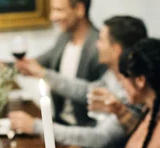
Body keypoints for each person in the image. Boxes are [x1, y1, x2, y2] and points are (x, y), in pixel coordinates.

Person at [9, 16, 147, 148]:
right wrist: (42, 73)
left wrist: (37, 127)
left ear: (116, 50)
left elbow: (99, 138)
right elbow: (86, 91)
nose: (96, 44)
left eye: (101, 40)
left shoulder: (132, 88)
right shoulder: (113, 75)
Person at [16, 0, 106, 128]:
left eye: (59, 10)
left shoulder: (99, 47)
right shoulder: (64, 39)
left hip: (85, 131)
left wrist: (43, 73)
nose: (52, 17)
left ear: (80, 9)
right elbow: (33, 64)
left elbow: (92, 93)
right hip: (60, 123)